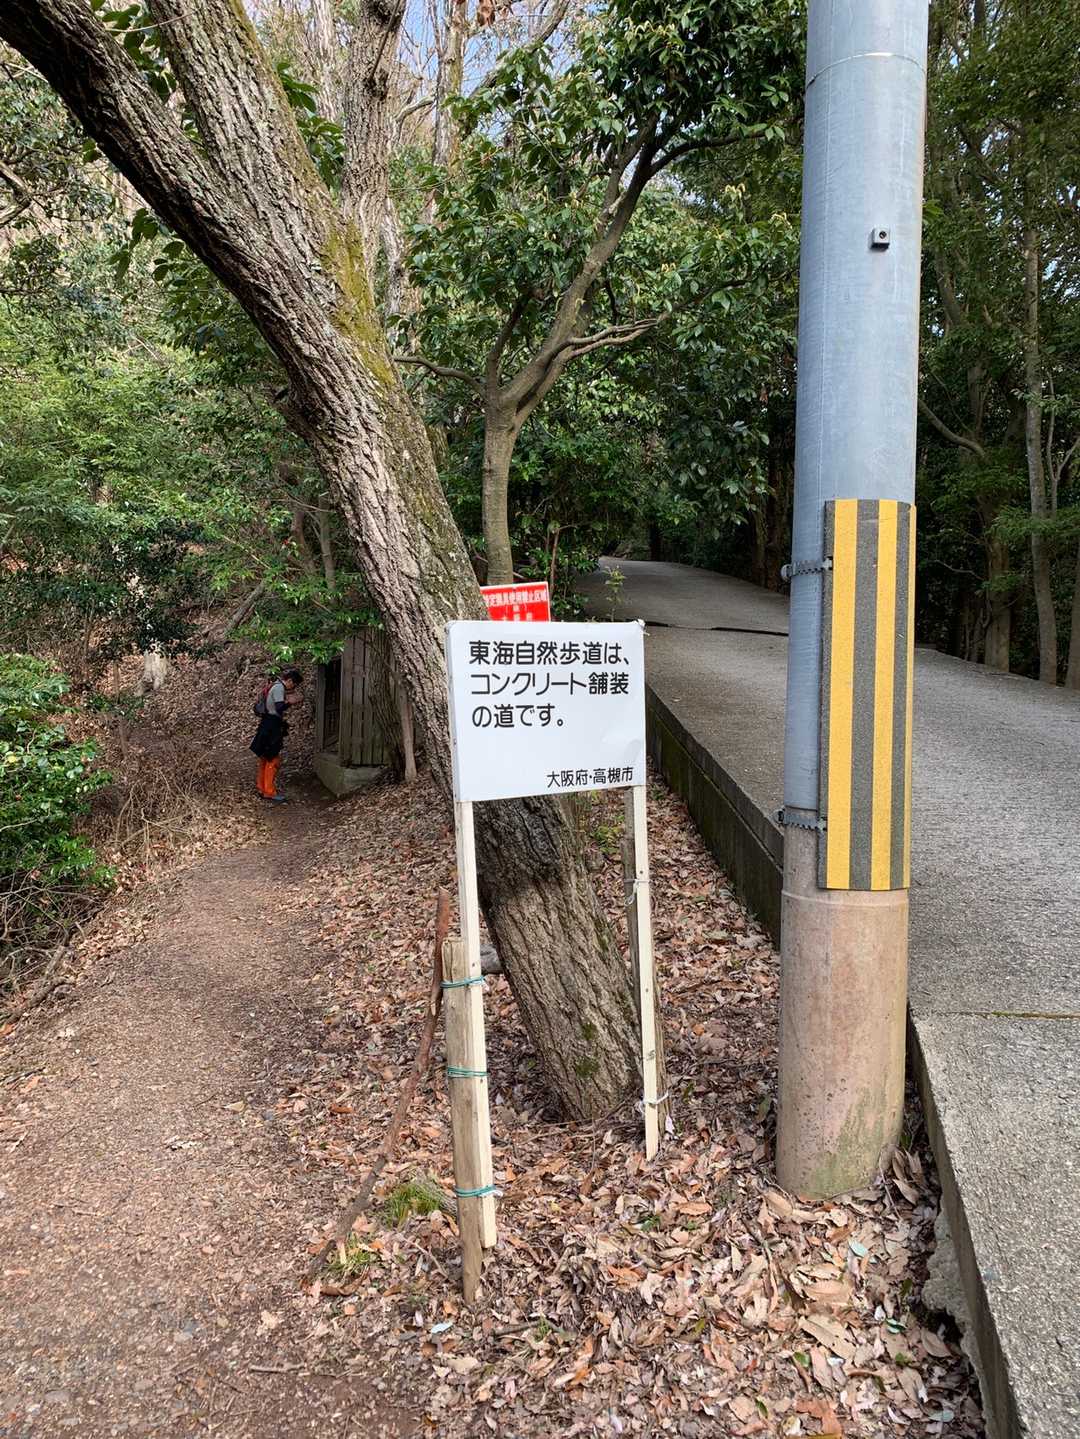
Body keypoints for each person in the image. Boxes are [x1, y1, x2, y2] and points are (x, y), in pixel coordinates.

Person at [251, 669, 303, 803]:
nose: (293, 687)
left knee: (264, 757)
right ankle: (269, 792)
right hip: (272, 726)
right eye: (294, 684)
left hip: (266, 724)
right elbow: (279, 707)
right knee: (272, 758)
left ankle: (261, 788)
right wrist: (291, 701)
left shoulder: (274, 685)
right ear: (290, 680)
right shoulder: (279, 688)